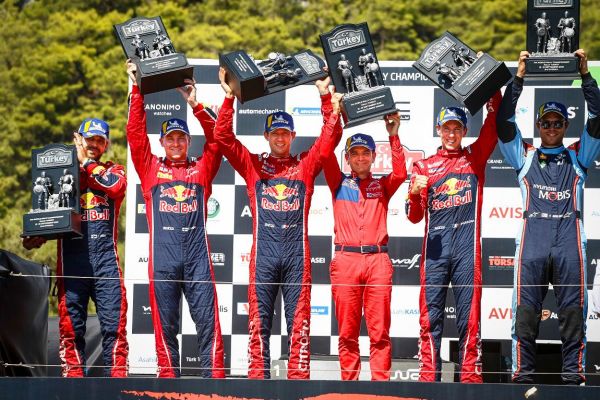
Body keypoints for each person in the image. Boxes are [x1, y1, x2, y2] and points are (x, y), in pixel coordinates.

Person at [215, 67, 341, 379]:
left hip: (297, 257)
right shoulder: (253, 165)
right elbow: (223, 137)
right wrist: (229, 98)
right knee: (258, 326)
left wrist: (325, 98)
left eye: (285, 133)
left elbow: (331, 138)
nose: (280, 138)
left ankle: (298, 388)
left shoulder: (305, 165)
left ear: (293, 136)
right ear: (267, 136)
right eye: (275, 133)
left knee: (299, 327)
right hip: (263, 258)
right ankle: (258, 387)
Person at [496, 49, 600, 385]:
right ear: (538, 125)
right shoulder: (524, 155)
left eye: (557, 123)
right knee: (526, 312)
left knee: (573, 311)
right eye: (546, 123)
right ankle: (523, 376)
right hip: (534, 236)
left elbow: (598, 116)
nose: (551, 127)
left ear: (566, 125)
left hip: (570, 234)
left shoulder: (579, 155)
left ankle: (573, 376)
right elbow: (503, 122)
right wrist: (519, 78)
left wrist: (586, 76)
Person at [126, 61, 224, 378]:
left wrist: (195, 104)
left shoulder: (201, 169)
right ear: (162, 143)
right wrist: (136, 90)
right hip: (163, 262)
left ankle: (216, 389)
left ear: (188, 141)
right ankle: (170, 389)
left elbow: (217, 140)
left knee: (208, 327)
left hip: (198, 261)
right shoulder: (151, 168)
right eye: (171, 139)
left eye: (182, 138)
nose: (177, 143)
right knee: (165, 330)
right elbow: (135, 135)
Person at [406, 92, 501, 383]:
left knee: (469, 319)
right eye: (446, 128)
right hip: (435, 254)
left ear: (464, 131)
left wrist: (492, 89)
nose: (451, 134)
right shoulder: (423, 167)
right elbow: (414, 217)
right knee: (429, 319)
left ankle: (470, 382)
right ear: (438, 130)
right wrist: (414, 194)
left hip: (466, 250)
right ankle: (428, 383)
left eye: (456, 129)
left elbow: (493, 124)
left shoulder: (475, 157)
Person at [23, 118, 129, 377]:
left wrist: (86, 163)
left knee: (114, 330)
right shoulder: (62, 176)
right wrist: (37, 235)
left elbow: (116, 188)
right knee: (71, 331)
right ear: (77, 139)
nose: (94, 144)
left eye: (100, 140)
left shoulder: (113, 170)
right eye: (89, 139)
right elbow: (52, 217)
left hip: (106, 264)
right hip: (72, 263)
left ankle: (117, 390)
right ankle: (72, 389)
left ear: (106, 145)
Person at [321, 110, 406, 380]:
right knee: (347, 333)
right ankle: (349, 389)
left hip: (377, 261)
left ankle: (380, 389)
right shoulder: (338, 181)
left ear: (373, 156)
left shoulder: (382, 186)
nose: (360, 158)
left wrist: (393, 136)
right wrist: (331, 113)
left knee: (380, 332)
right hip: (346, 261)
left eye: (365, 153)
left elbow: (401, 172)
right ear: (347, 158)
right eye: (354, 153)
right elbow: (324, 152)